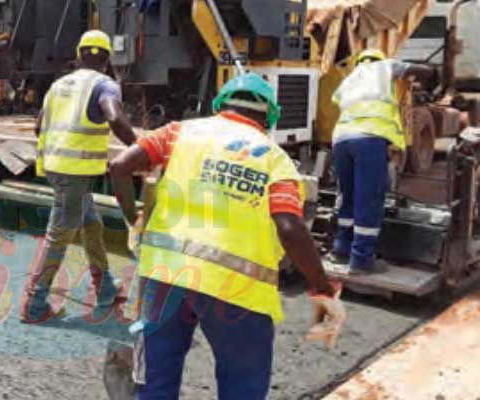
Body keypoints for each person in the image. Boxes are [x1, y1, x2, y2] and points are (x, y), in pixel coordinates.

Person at [108, 73, 342, 399]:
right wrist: (319, 283)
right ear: (269, 118)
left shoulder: (178, 132)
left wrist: (131, 216)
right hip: (237, 290)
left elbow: (119, 166)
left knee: (154, 378)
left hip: (165, 275)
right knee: (242, 384)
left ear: (220, 105)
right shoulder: (275, 160)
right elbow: (290, 228)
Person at [21, 30, 138, 323]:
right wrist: (139, 148)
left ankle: (105, 288)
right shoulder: (104, 85)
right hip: (74, 174)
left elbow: (39, 127)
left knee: (92, 225)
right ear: (108, 59)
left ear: (78, 54)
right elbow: (114, 116)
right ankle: (34, 304)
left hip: (54, 167)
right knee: (58, 236)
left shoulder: (58, 85)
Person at [330, 49, 434, 273]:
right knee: (369, 199)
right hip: (369, 139)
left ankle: (340, 250)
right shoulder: (384, 66)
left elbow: (336, 101)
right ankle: (361, 260)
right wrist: (433, 73)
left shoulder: (349, 80)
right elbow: (420, 70)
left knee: (347, 196)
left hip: (340, 140)